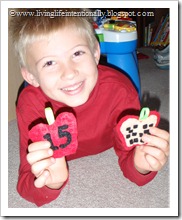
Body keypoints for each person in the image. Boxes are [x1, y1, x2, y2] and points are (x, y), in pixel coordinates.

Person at [9, 8, 169, 207]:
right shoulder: (31, 106)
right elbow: (26, 182)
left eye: (77, 53)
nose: (69, 73)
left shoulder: (119, 90)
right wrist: (51, 183)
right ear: (31, 76)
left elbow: (130, 157)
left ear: (95, 53)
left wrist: (142, 164)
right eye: (49, 62)